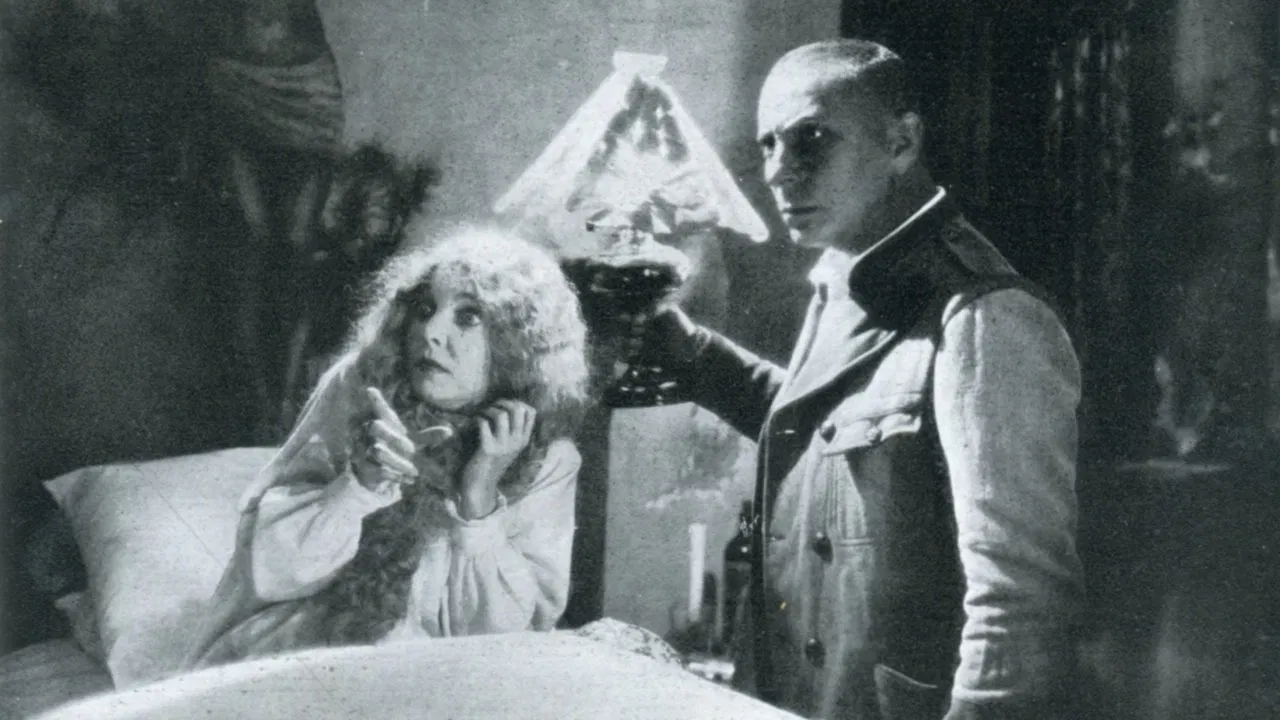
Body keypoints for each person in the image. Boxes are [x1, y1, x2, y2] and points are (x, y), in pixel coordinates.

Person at [631, 40, 1084, 719]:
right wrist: (696, 357)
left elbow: (1021, 606)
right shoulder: (852, 275)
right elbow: (832, 435)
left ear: (901, 141)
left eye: (810, 139)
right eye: (768, 145)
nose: (778, 172)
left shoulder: (983, 315)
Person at [184, 226, 591, 668]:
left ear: (518, 340)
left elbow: (505, 638)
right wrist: (357, 488)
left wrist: (480, 497)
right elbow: (269, 571)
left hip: (452, 673)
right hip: (316, 646)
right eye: (424, 309)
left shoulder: (548, 456)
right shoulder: (358, 385)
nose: (431, 331)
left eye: (469, 316)